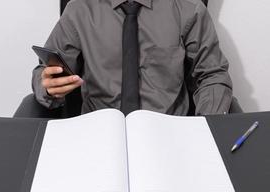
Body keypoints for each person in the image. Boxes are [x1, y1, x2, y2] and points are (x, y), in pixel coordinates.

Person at [32, 0, 232, 116]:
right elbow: (44, 71)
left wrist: (207, 129)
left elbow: (212, 75)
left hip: (168, 131)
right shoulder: (80, 8)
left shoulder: (188, 7)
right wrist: (47, 87)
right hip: (99, 132)